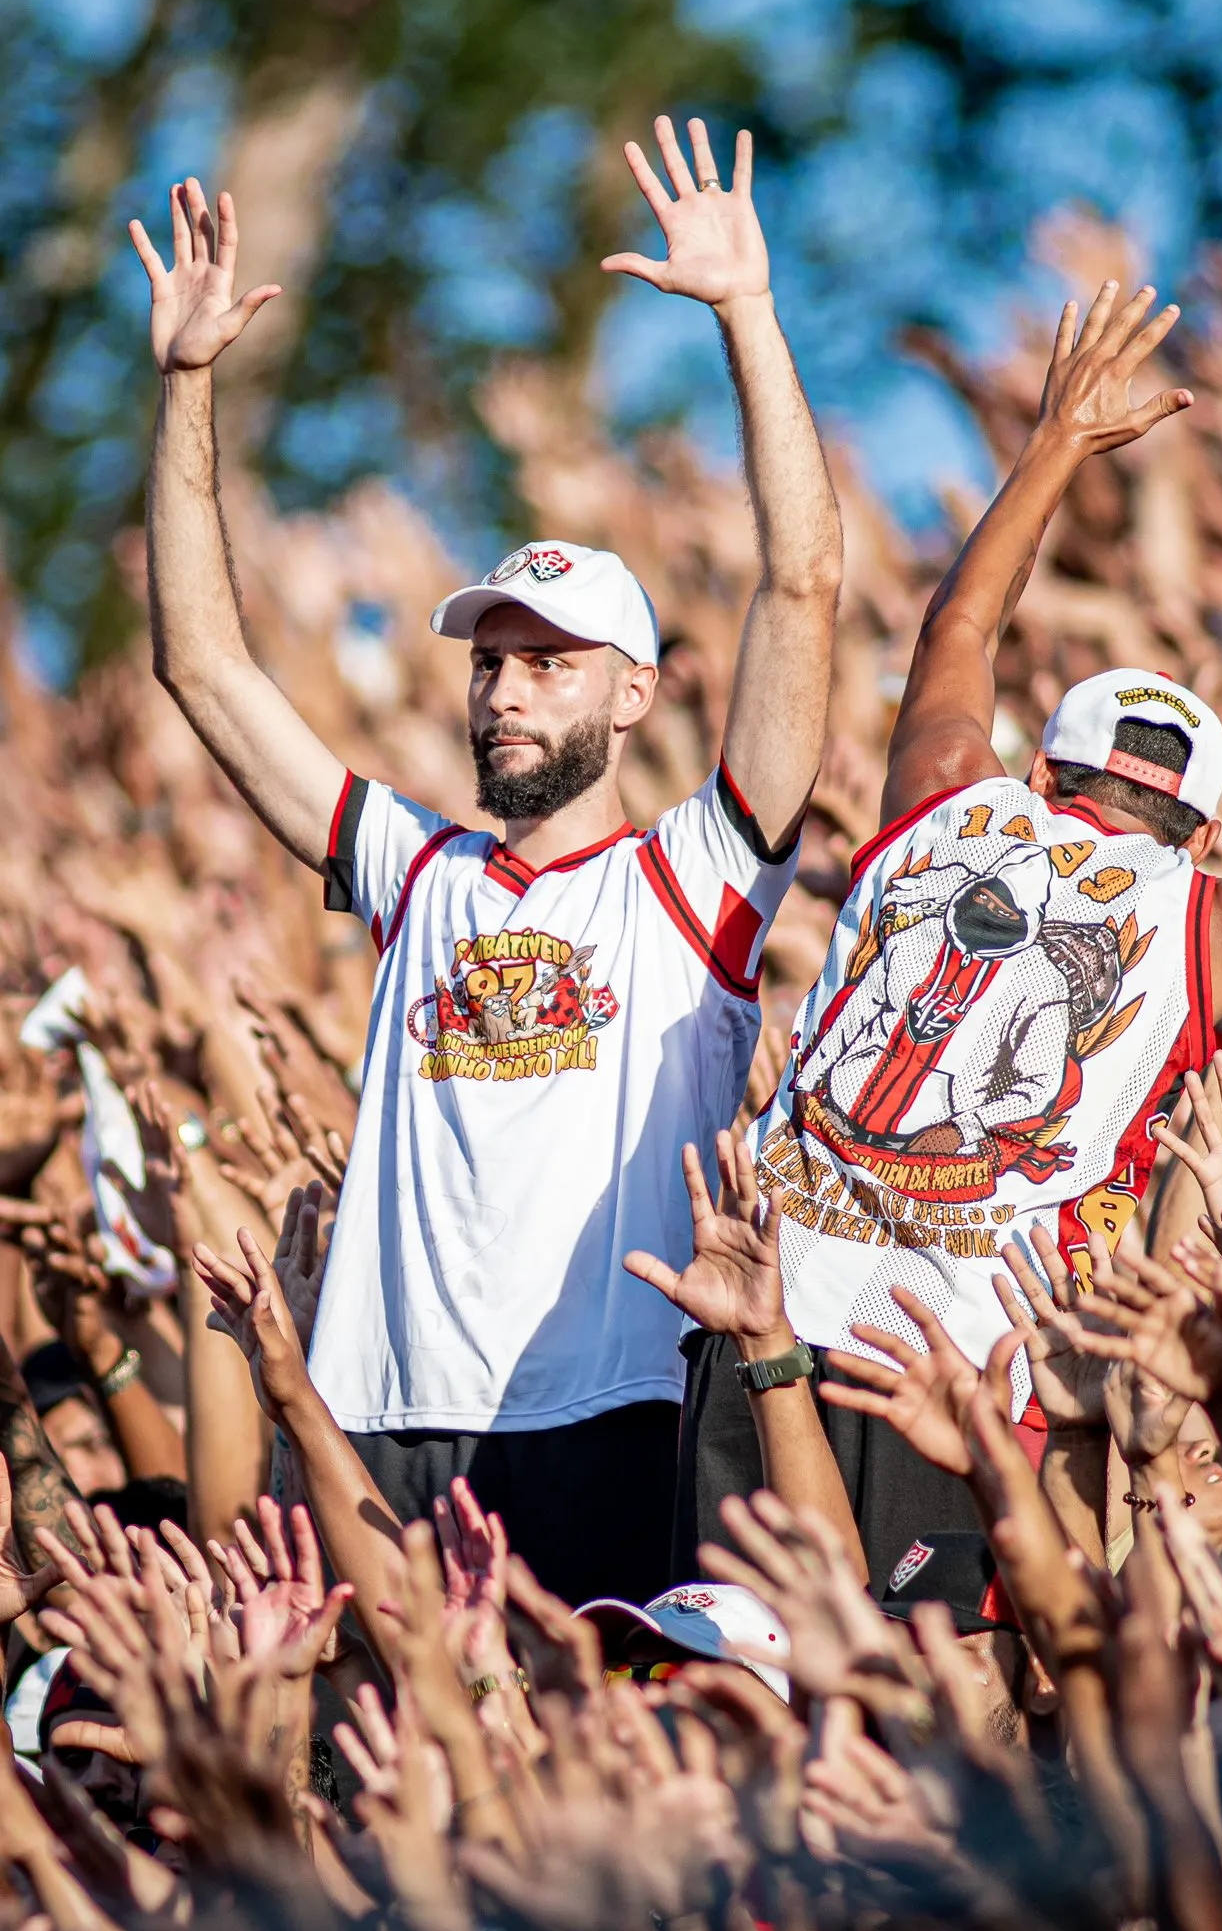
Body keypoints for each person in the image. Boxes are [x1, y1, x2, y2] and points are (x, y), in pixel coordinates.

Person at [669, 277, 1222, 1588]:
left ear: (1041, 776)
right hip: (951, 1375)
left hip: (761, 1317)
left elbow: (958, 623)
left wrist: (1059, 440)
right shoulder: (1209, 921)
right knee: (933, 1724)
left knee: (727, 1684)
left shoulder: (939, 804)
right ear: (1199, 830)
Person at [128, 114, 844, 1602]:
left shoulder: (695, 879)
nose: (506, 691)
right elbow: (200, 662)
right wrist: (188, 385)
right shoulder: (418, 870)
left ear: (633, 696)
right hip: (384, 1412)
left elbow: (803, 580)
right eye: (491, 662)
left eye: (552, 665)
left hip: (619, 1406)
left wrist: (746, 314)